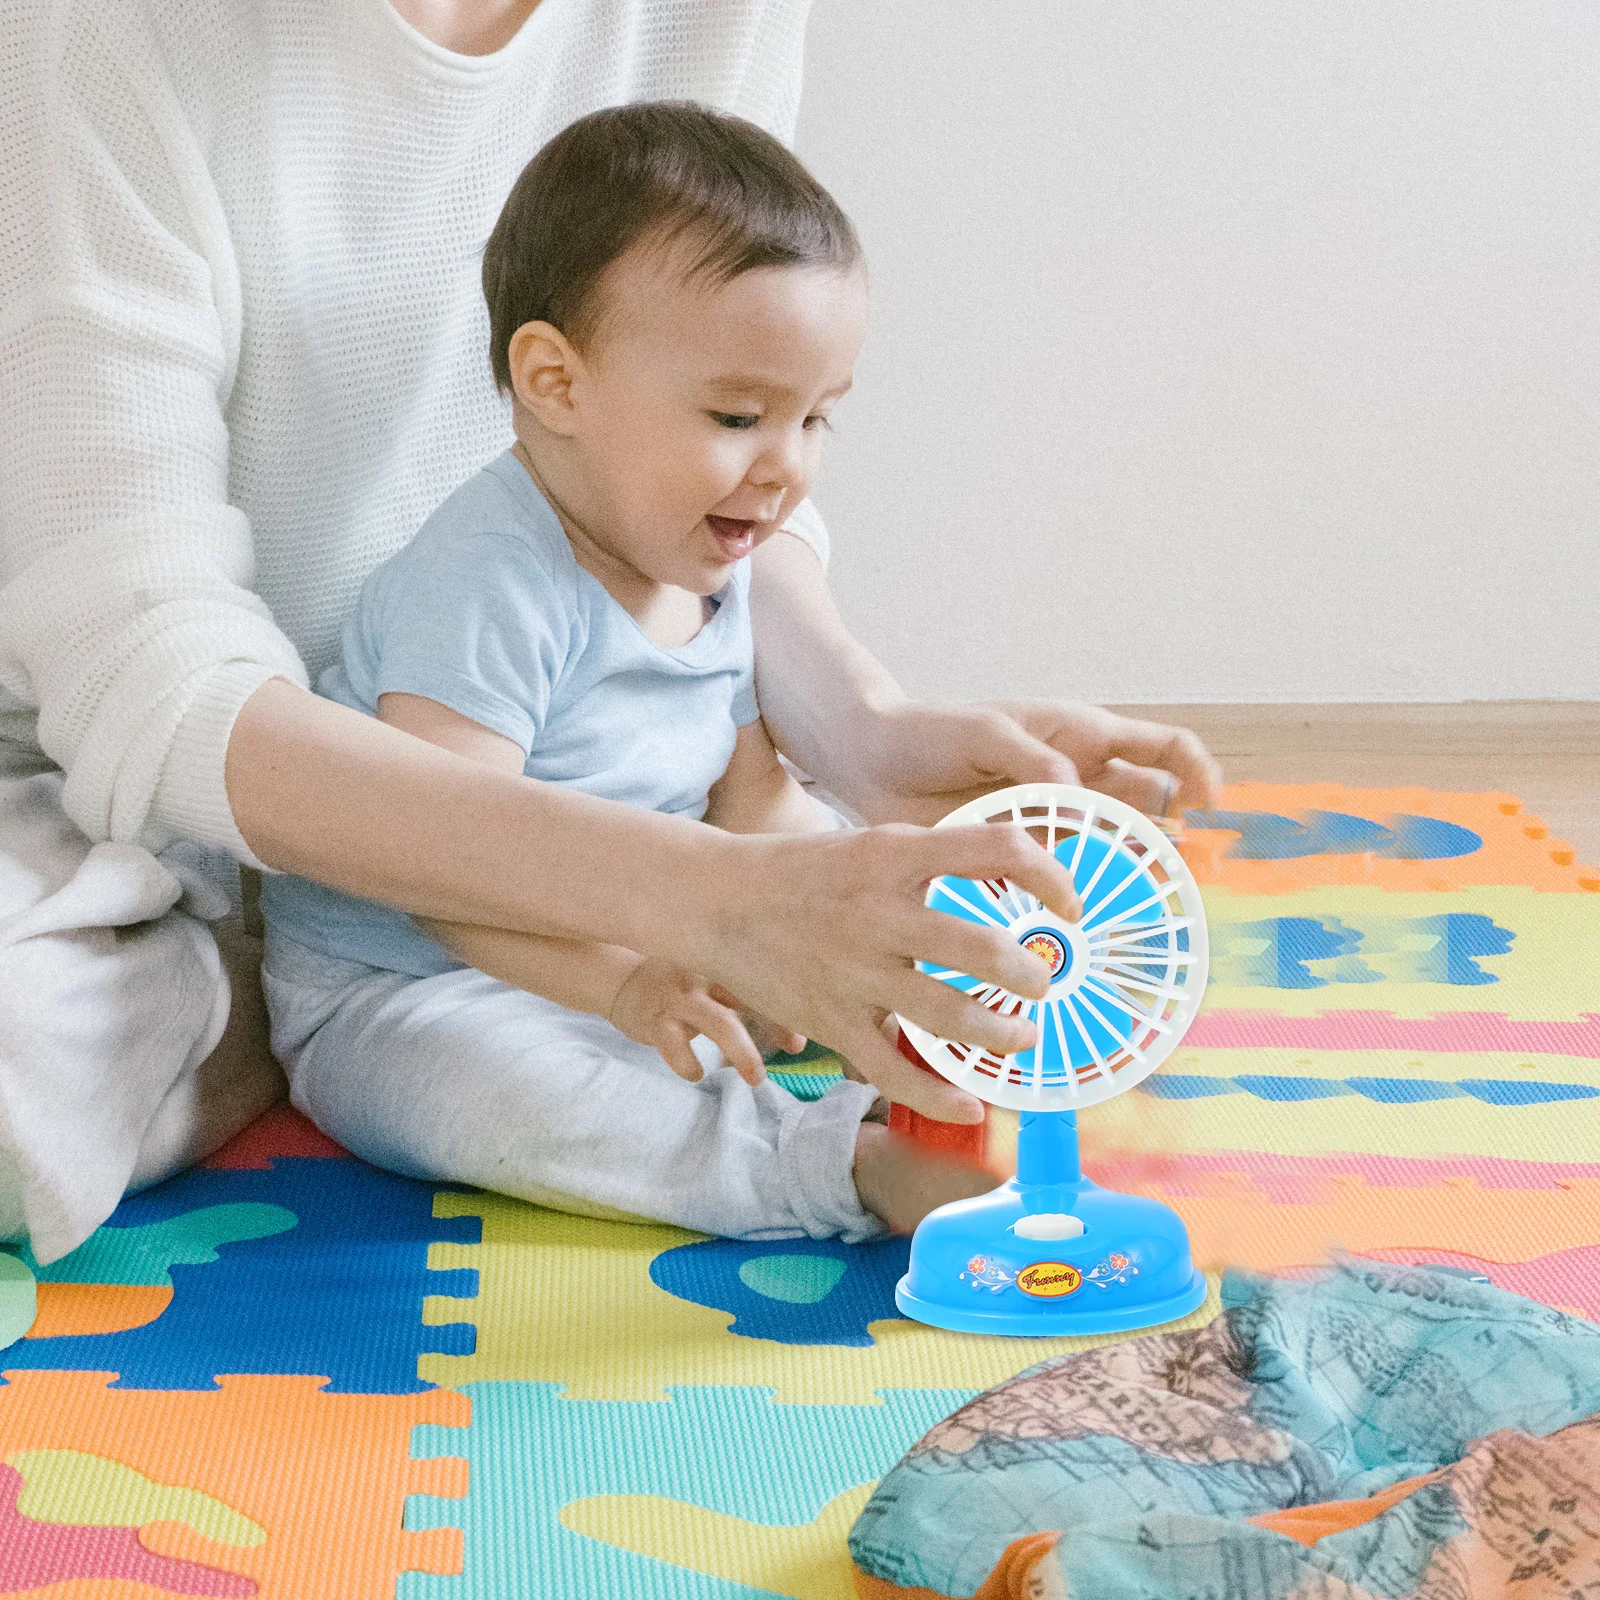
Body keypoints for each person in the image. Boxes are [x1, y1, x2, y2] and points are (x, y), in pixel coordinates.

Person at [0, 0, 1220, 1265]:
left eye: (818, 423)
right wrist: (674, 943)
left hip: (565, 893)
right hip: (298, 871)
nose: (788, 470)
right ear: (549, 382)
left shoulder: (690, 543)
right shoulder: (481, 585)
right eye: (749, 421)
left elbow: (750, 742)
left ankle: (884, 1109)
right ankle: (818, 1163)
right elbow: (160, 669)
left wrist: (865, 759)